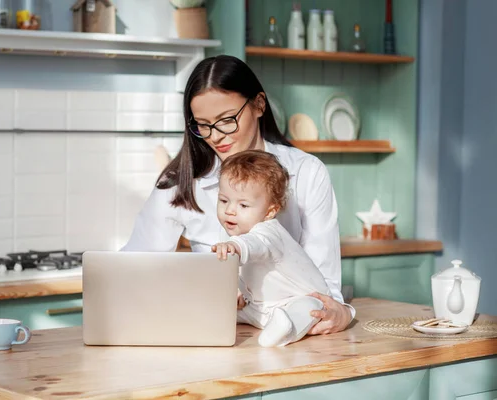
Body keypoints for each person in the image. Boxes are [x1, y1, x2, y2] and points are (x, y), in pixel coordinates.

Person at [121, 54, 354, 334]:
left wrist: (339, 313)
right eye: (203, 125)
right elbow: (134, 269)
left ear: (259, 104)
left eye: (227, 119)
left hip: (293, 336)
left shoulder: (306, 172)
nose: (216, 136)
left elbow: (326, 289)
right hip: (213, 332)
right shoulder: (180, 181)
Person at [211, 150, 332, 347]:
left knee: (308, 309)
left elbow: (254, 245)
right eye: (223, 200)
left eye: (243, 205)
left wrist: (234, 247)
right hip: (261, 307)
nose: (229, 210)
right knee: (224, 309)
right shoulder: (231, 233)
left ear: (270, 211)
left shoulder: (270, 232)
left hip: (301, 299)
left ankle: (285, 330)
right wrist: (236, 291)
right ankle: (216, 322)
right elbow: (242, 272)